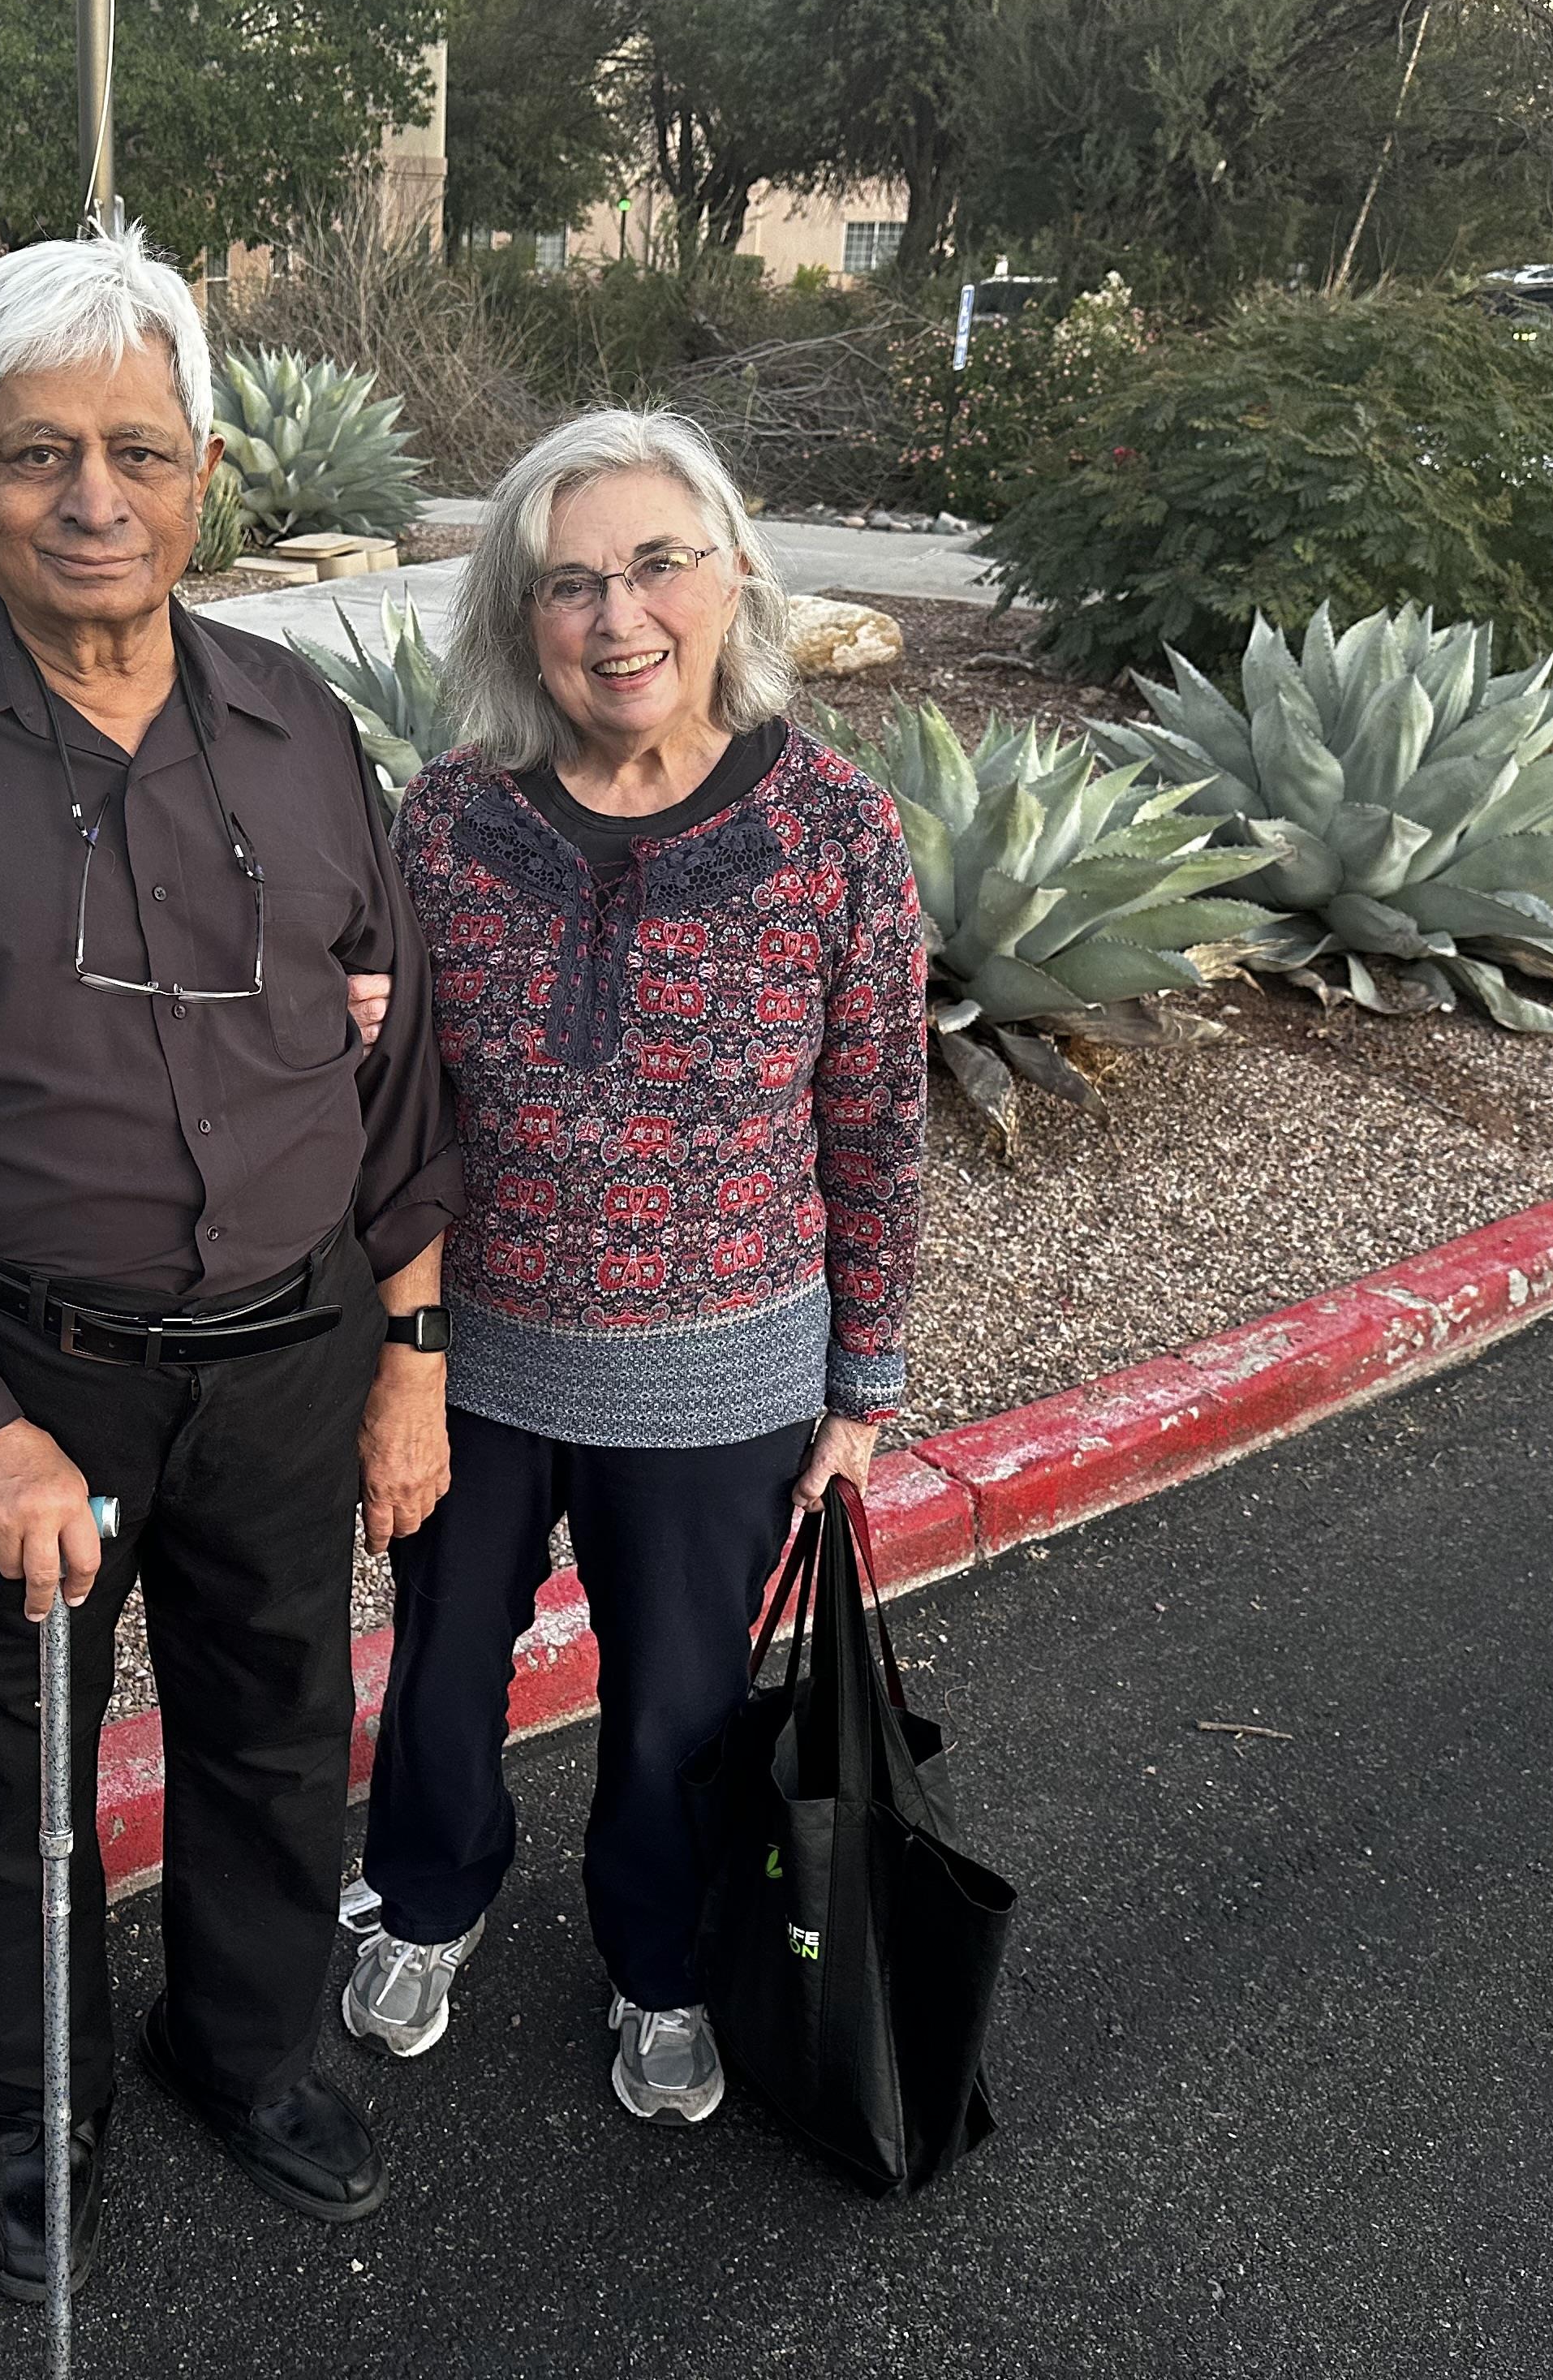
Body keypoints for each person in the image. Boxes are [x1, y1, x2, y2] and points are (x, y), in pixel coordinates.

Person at [0, 223, 462, 2302]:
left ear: (207, 470)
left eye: (137, 448)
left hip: (291, 1352)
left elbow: (392, 1053)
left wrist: (406, 1347)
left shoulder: (296, 726)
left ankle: (250, 2049)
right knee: (5, 1771)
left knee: (270, 1721)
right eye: (40, 452)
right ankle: (40, 2099)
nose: (92, 497)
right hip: (15, 1370)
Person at [340, 408, 927, 2124]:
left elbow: (877, 1123)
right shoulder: (447, 823)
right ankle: (430, 1903)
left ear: (730, 570)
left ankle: (661, 1964)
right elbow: (387, 1109)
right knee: (447, 1667)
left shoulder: (836, 832)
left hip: (727, 1374)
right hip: (481, 1356)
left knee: (679, 1701)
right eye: (569, 583)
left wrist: (863, 1388)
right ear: (520, 622)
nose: (618, 618)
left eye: (657, 564)